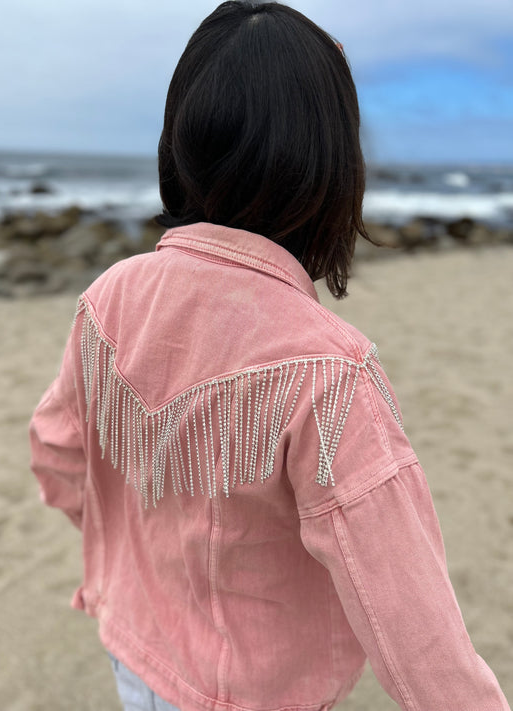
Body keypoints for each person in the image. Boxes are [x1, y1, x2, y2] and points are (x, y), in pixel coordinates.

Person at [29, 2, 510, 710]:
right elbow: (409, 620)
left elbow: (57, 453)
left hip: (135, 650)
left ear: (180, 140)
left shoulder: (109, 298)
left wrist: (145, 550)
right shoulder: (328, 369)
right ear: (332, 162)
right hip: (258, 690)